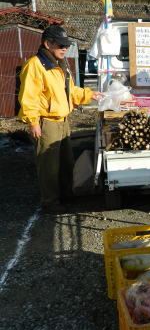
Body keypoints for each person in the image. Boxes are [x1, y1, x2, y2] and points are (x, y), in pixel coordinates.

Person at [18, 24, 104, 213]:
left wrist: (90, 94)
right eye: (60, 45)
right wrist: (33, 122)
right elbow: (28, 97)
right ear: (48, 44)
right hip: (46, 122)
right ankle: (50, 202)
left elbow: (70, 92)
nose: (64, 48)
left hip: (63, 120)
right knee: (48, 165)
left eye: (66, 45)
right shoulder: (34, 65)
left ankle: (67, 195)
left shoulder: (60, 65)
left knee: (66, 162)